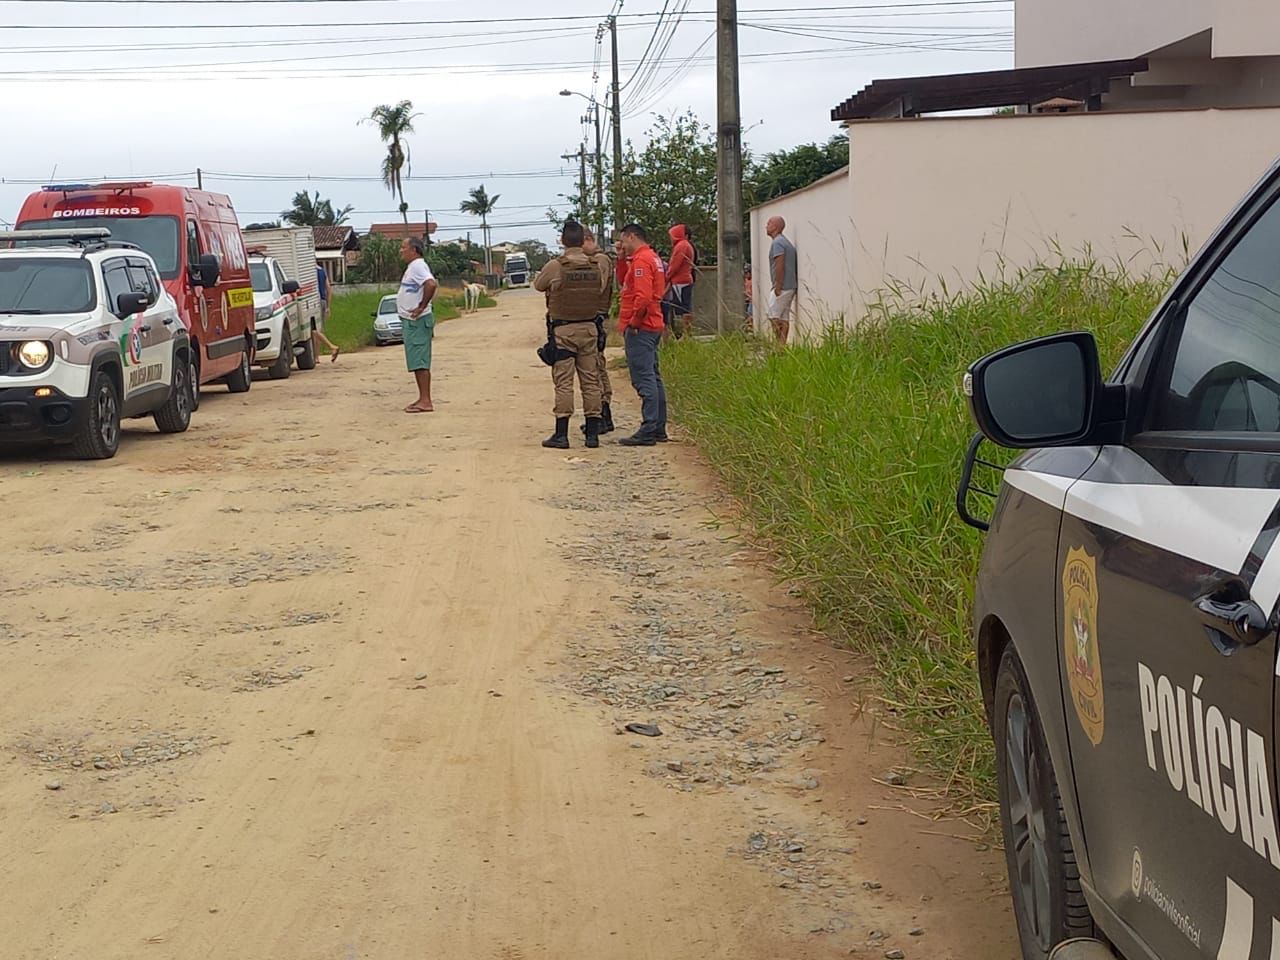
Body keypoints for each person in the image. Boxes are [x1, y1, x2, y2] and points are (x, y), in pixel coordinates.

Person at [532, 220, 605, 449]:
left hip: (564, 331)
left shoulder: (557, 266)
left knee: (564, 382)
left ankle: (561, 435)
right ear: (583, 241)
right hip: (590, 329)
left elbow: (538, 285)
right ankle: (592, 435)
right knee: (591, 381)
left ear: (563, 241)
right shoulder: (595, 265)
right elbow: (601, 289)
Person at [614, 223, 668, 446]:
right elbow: (626, 284)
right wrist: (620, 259)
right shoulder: (651, 258)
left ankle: (649, 429)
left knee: (644, 377)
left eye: (623, 241)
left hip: (642, 327)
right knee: (653, 377)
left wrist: (634, 321)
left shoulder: (642, 261)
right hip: (653, 324)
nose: (622, 245)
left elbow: (643, 296)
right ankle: (658, 428)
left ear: (632, 236)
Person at [397, 237, 438, 413]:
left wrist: (421, 306)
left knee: (420, 360)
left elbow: (431, 284)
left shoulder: (418, 266)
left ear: (413, 250)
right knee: (416, 361)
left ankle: (426, 401)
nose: (401, 250)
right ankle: (422, 398)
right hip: (412, 322)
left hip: (417, 322)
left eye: (403, 247)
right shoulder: (413, 267)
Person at [582, 228, 616, 435]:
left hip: (597, 317)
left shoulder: (600, 260)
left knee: (597, 366)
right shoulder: (595, 259)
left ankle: (604, 415)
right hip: (594, 317)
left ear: (588, 240)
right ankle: (603, 415)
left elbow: (599, 287)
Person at [766, 216, 798, 345]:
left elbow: (780, 263)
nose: (766, 226)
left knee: (773, 316)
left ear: (775, 227)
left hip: (783, 286)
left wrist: (778, 286)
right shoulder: (785, 242)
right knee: (784, 317)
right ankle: (782, 347)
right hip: (790, 285)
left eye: (769, 223)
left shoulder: (778, 243)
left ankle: (779, 343)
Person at [665, 224, 696, 338]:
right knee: (684, 307)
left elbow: (674, 265)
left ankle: (686, 334)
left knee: (683, 309)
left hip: (680, 281)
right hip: (684, 279)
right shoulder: (686, 245)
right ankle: (686, 334)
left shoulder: (681, 246)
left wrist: (666, 276)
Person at [313, 265, 341, 362]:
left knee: (314, 330)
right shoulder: (322, 271)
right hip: (323, 301)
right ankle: (316, 357)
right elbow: (328, 288)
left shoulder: (309, 271)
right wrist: (328, 306)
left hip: (315, 302)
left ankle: (331, 347)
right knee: (318, 330)